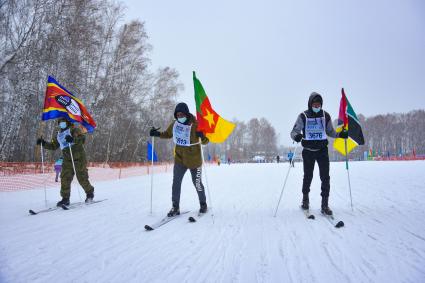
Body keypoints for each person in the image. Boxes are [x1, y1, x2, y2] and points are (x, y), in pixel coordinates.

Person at [290, 92, 348, 215]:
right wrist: (297, 136)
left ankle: (325, 204)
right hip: (308, 151)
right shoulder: (303, 116)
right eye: (315, 104)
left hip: (322, 151)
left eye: (319, 104)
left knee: (325, 177)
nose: (317, 106)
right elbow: (293, 131)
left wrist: (340, 134)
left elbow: (330, 132)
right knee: (308, 176)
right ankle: (305, 199)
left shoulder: (325, 115)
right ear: (310, 104)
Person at [150, 102, 209, 217]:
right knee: (176, 183)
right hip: (180, 159)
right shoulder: (175, 124)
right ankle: (175, 207)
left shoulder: (196, 125)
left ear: (186, 114)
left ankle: (203, 204)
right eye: (178, 115)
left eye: (182, 115)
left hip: (194, 161)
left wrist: (202, 136)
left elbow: (206, 141)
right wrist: (156, 134)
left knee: (197, 183)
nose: (180, 117)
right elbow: (167, 134)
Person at [36, 117, 95, 206]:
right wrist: (43, 143)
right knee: (65, 178)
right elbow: (53, 146)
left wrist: (73, 139)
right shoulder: (58, 134)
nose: (61, 124)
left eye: (63, 122)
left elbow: (82, 139)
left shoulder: (74, 129)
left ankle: (90, 193)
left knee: (81, 177)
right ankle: (65, 198)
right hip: (67, 159)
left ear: (67, 122)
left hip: (78, 157)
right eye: (60, 122)